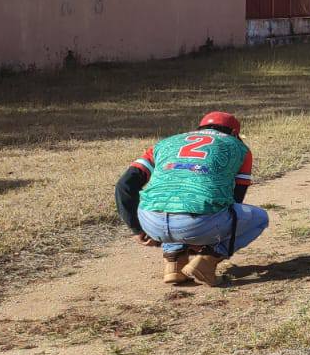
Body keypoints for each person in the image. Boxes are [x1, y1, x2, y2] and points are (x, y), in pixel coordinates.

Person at [114, 112, 268, 287]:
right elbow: (235, 200)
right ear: (234, 133)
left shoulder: (164, 143)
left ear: (199, 129)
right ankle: (206, 262)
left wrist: (137, 228)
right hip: (199, 223)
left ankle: (174, 263)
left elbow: (124, 185)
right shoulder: (240, 148)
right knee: (259, 218)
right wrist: (206, 240)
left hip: (151, 221)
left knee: (173, 197)